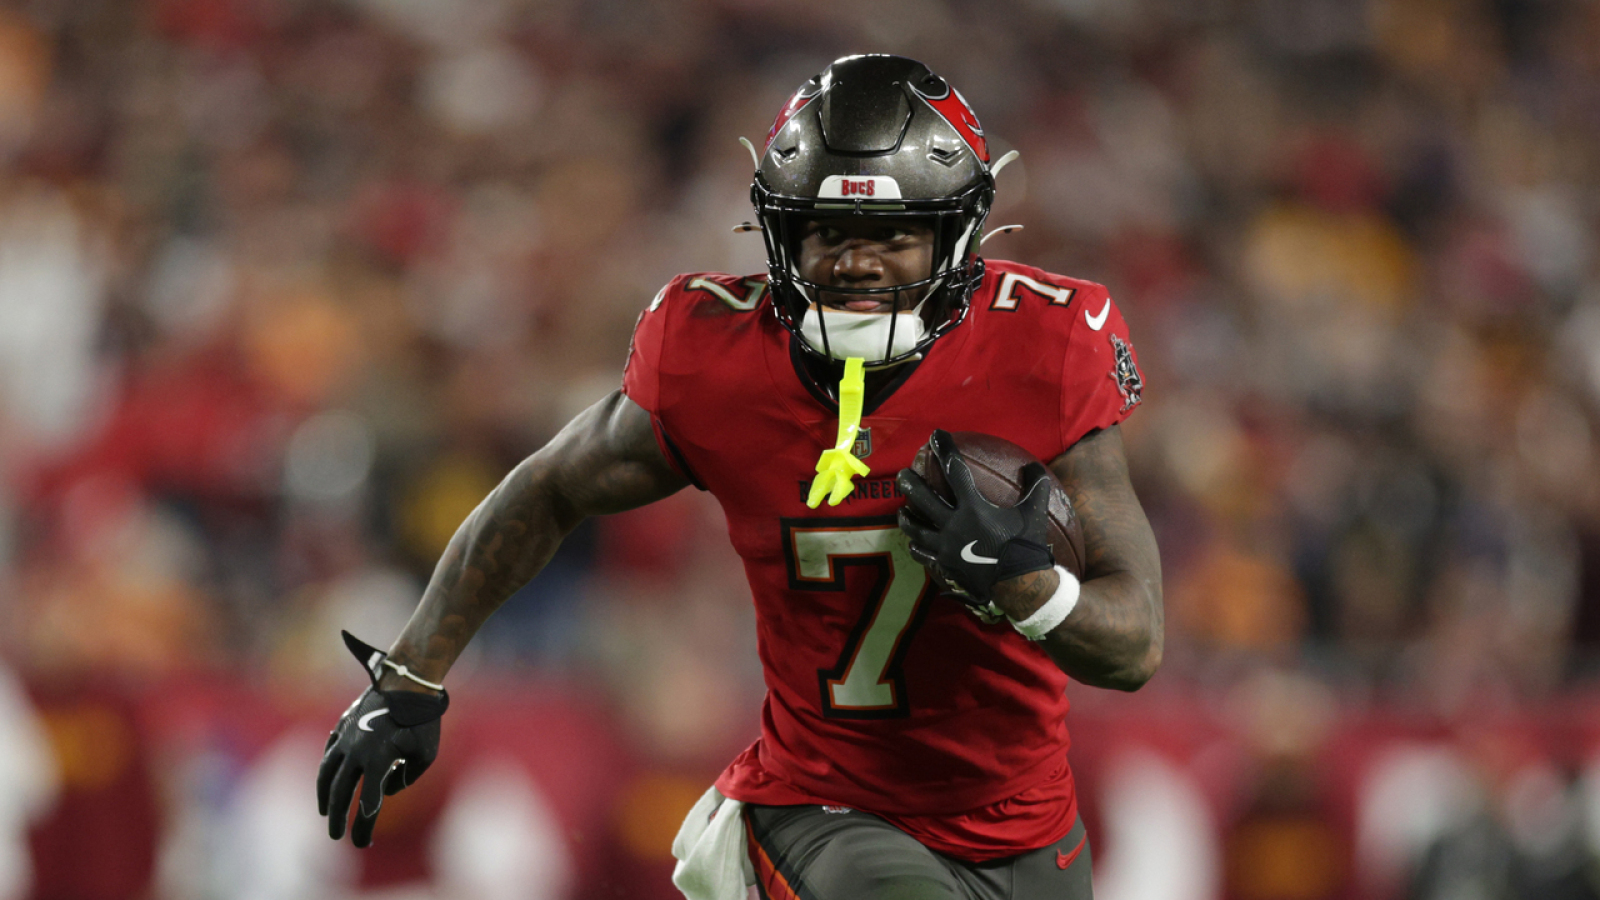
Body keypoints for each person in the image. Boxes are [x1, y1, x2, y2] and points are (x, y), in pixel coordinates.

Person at [317, 53, 1162, 900]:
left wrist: (1025, 584)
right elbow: (548, 489)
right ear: (781, 234)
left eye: (893, 236)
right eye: (828, 233)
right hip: (826, 807)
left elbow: (1134, 646)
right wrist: (410, 676)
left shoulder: (1046, 346)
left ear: (958, 235)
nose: (858, 264)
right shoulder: (716, 357)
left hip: (1029, 830)